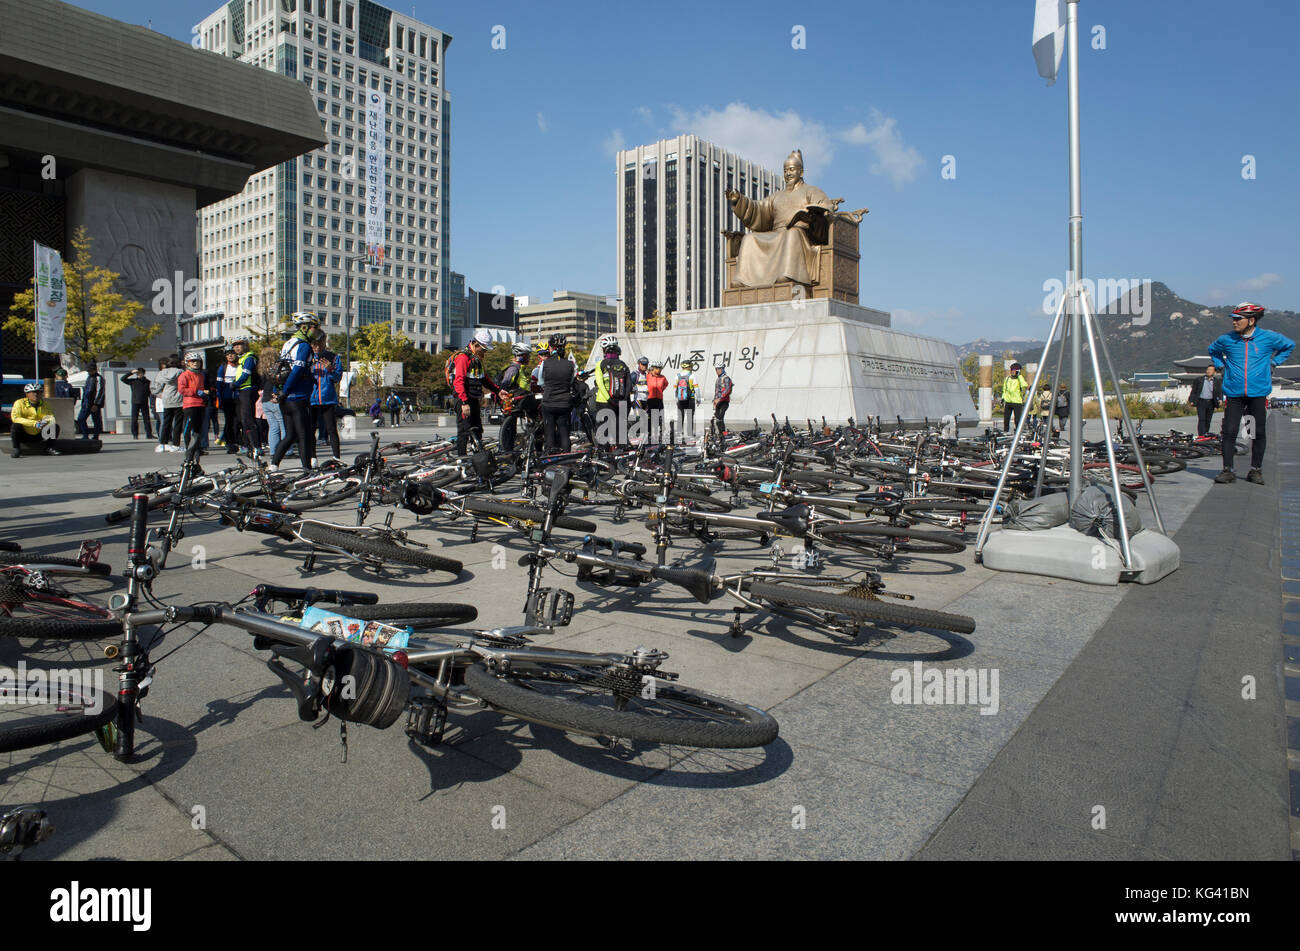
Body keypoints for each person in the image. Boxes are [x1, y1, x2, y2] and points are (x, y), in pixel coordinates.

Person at [1209, 302, 1295, 485]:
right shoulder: (1227, 339)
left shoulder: (1268, 338)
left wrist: (1274, 363)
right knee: (1230, 431)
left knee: (1256, 432)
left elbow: (1289, 345)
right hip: (1234, 394)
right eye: (1233, 319)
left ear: (1251, 320)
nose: (1234, 322)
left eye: (1238, 319)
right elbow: (1213, 350)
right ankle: (1228, 470)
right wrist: (1220, 366)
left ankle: (1255, 470)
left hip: (1257, 394)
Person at [269, 312, 322, 471]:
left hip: (286, 399)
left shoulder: (288, 343)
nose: (317, 330)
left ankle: (273, 466)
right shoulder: (304, 346)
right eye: (315, 327)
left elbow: (279, 369)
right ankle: (307, 471)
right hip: (297, 396)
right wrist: (284, 392)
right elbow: (297, 370)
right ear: (305, 327)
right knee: (304, 435)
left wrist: (277, 392)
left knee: (290, 435)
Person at [449, 328, 503, 455]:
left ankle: (478, 458)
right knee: (464, 431)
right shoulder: (463, 358)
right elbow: (459, 381)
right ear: (476, 344)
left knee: (478, 429)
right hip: (463, 399)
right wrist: (464, 402)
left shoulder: (476, 360)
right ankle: (461, 459)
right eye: (483, 349)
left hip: (473, 399)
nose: (484, 353)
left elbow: (484, 379)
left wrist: (498, 390)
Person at [309, 336, 343, 463]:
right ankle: (313, 457)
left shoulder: (333, 357)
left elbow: (337, 377)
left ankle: (336, 457)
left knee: (331, 428)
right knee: (311, 429)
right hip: (311, 398)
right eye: (314, 344)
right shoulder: (307, 358)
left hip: (327, 398)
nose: (317, 347)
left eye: (319, 344)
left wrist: (330, 369)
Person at [593, 334, 631, 448]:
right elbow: (629, 384)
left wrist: (609, 399)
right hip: (621, 401)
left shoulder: (600, 364)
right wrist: (623, 399)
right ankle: (623, 459)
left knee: (603, 431)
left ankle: (604, 458)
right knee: (621, 432)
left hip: (604, 402)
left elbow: (599, 384)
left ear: (605, 349)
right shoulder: (623, 364)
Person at [540, 333, 576, 452]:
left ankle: (550, 458)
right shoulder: (570, 365)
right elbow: (571, 382)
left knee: (549, 431)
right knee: (564, 432)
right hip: (565, 403)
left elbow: (541, 382)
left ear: (550, 348)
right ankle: (566, 457)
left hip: (549, 401)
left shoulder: (545, 363)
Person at [497, 341, 533, 454]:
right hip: (515, 401)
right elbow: (506, 383)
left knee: (512, 429)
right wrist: (504, 392)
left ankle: (510, 449)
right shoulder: (514, 368)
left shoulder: (519, 368)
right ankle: (507, 452)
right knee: (510, 430)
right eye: (527, 355)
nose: (528, 358)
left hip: (519, 399)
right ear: (520, 356)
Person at [230, 332, 261, 457]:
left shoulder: (249, 357)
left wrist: (235, 383)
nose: (237, 347)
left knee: (248, 419)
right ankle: (249, 445)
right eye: (235, 345)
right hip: (243, 390)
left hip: (248, 390)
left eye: (240, 345)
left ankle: (256, 447)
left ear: (246, 345)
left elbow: (246, 374)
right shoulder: (241, 358)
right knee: (244, 420)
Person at [9, 383, 61, 457]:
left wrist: (44, 422)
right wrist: (34, 423)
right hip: (24, 434)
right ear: (27, 394)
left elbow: (51, 417)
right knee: (15, 426)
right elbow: (15, 418)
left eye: (38, 392)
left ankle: (50, 448)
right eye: (33, 392)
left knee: (54, 426)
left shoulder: (45, 404)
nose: (36, 394)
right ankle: (16, 449)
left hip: (39, 433)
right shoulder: (19, 403)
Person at [176, 351, 210, 453]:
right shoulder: (184, 375)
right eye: (193, 361)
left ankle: (197, 447)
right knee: (188, 427)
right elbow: (182, 390)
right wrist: (196, 391)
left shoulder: (201, 375)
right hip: (190, 405)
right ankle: (188, 447)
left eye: (197, 361)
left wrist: (205, 394)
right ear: (188, 363)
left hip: (200, 404)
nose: (196, 363)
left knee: (198, 428)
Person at [151, 355, 184, 452]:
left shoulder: (162, 373)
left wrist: (161, 394)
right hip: (178, 399)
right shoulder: (181, 372)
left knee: (166, 422)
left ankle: (162, 444)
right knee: (177, 423)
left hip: (166, 399)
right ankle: (175, 444)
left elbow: (155, 387)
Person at [1187, 365, 1222, 439]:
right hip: (1201, 401)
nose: (1208, 371)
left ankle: (1206, 433)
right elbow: (1194, 391)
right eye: (1207, 369)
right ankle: (1201, 435)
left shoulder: (1217, 381)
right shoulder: (1199, 380)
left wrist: (1220, 399)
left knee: (1208, 420)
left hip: (1211, 402)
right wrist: (1191, 400)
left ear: (1214, 372)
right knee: (1202, 419)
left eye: (1210, 370)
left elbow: (1220, 392)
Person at [118, 367, 153, 439]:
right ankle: (135, 434)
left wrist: (152, 402)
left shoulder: (147, 382)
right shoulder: (133, 381)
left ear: (143, 373)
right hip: (135, 401)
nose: (139, 374)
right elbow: (123, 379)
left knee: (146, 419)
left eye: (140, 373)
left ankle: (149, 434)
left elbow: (149, 392)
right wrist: (131, 373)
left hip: (144, 402)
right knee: (134, 419)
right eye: (137, 373)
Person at [75, 363, 106, 439]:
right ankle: (85, 435)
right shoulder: (89, 378)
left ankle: (96, 436)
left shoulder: (99, 378)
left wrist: (96, 404)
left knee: (96, 420)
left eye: (91, 370)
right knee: (80, 419)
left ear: (95, 370)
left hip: (94, 403)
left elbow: (100, 392)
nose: (89, 372)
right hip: (86, 403)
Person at [262, 372, 285, 458]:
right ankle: (286, 451)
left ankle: (273, 451)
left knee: (273, 427)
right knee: (283, 426)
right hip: (274, 402)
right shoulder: (279, 377)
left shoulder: (267, 377)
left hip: (265, 402)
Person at [645, 359, 668, 444]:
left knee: (660, 418)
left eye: (660, 368)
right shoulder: (647, 376)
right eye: (657, 368)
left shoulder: (663, 377)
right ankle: (649, 436)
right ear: (652, 368)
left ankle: (660, 436)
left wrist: (660, 391)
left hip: (659, 400)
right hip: (650, 399)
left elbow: (665, 384)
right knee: (650, 418)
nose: (659, 370)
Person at [1001, 363, 1028, 432]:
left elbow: (1024, 385)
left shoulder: (1019, 379)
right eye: (1012, 370)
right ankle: (1006, 431)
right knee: (1006, 419)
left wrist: (1019, 376)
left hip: (1017, 402)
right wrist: (1003, 398)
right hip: (1008, 401)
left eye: (1014, 370)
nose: (1012, 371)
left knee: (1017, 419)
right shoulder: (1007, 379)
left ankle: (1018, 431)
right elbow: (1004, 389)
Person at [674, 364, 697, 444]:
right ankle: (690, 436)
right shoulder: (692, 376)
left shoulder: (677, 376)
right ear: (689, 367)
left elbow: (675, 389)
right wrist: (698, 399)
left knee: (680, 417)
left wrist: (677, 399)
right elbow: (696, 388)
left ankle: (679, 436)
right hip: (690, 399)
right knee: (690, 417)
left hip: (680, 400)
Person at [712, 364, 733, 435]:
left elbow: (727, 390)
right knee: (717, 420)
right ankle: (721, 434)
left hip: (724, 402)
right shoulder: (718, 379)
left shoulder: (726, 378)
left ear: (723, 369)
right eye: (716, 369)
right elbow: (717, 392)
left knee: (720, 419)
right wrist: (714, 401)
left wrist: (719, 399)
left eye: (719, 369)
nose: (717, 370)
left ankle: (724, 435)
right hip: (718, 402)